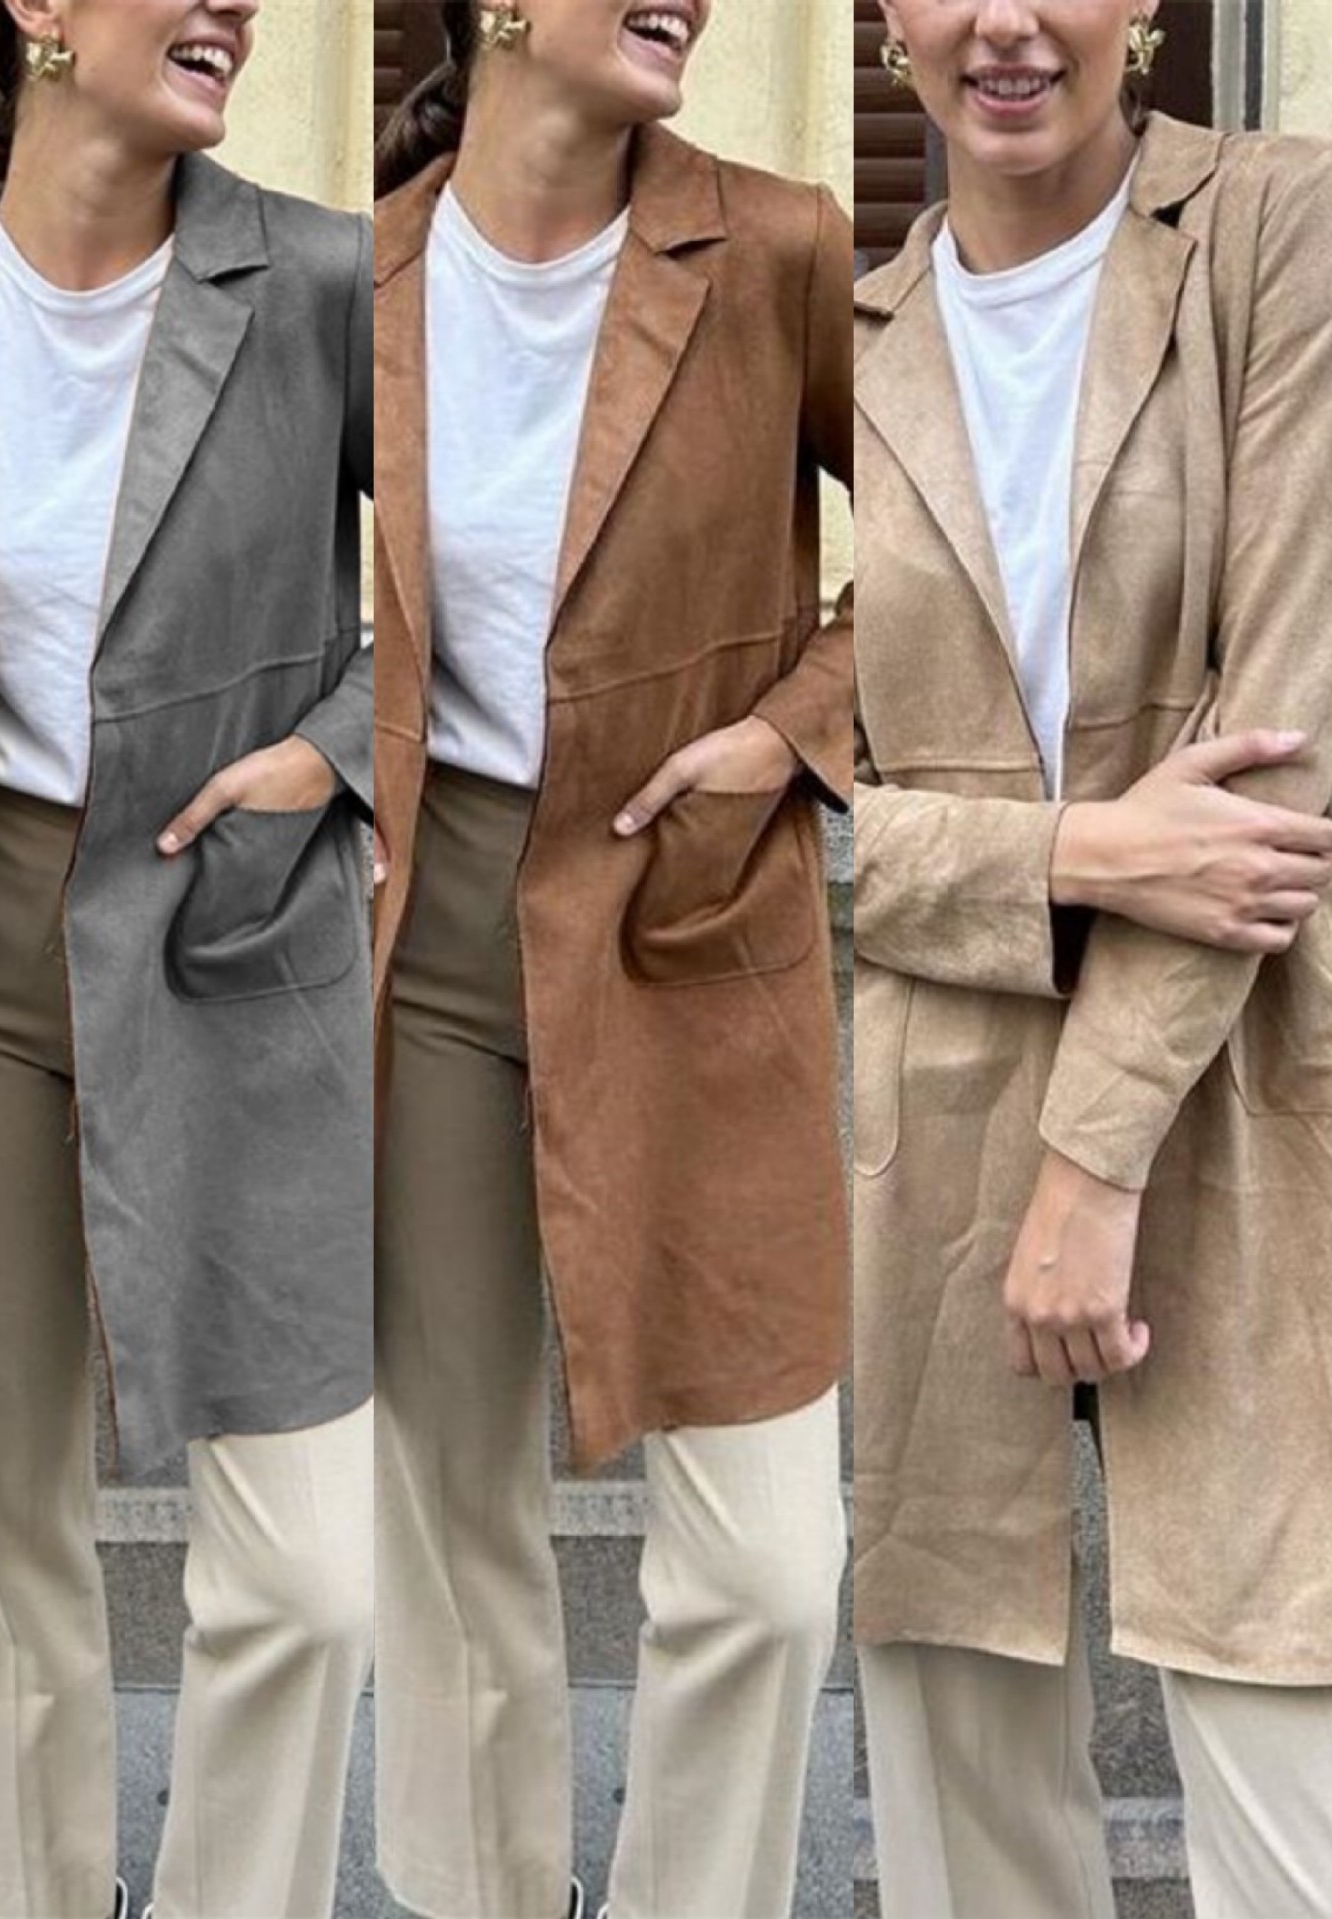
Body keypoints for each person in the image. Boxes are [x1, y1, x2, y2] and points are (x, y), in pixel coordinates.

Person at [0, 2, 374, 1915]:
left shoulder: (322, 280)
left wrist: (330, 754)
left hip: (239, 930)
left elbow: (487, 586)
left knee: (310, 1572)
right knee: (4, 1529)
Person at [372, 4, 853, 1915]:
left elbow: (957, 547)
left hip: (694, 917)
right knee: (453, 1518)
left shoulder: (779, 245)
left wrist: (787, 735)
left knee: (766, 1565)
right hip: (424, 931)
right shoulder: (358, 276)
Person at [854, 4, 1332, 1913]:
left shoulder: (1279, 231)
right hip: (928, 1102)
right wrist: (1074, 847)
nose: (1004, 23)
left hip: (1252, 1082)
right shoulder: (849, 331)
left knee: (1284, 1778)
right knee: (965, 1815)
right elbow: (789, 807)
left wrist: (1093, 1160)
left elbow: (1286, 747)